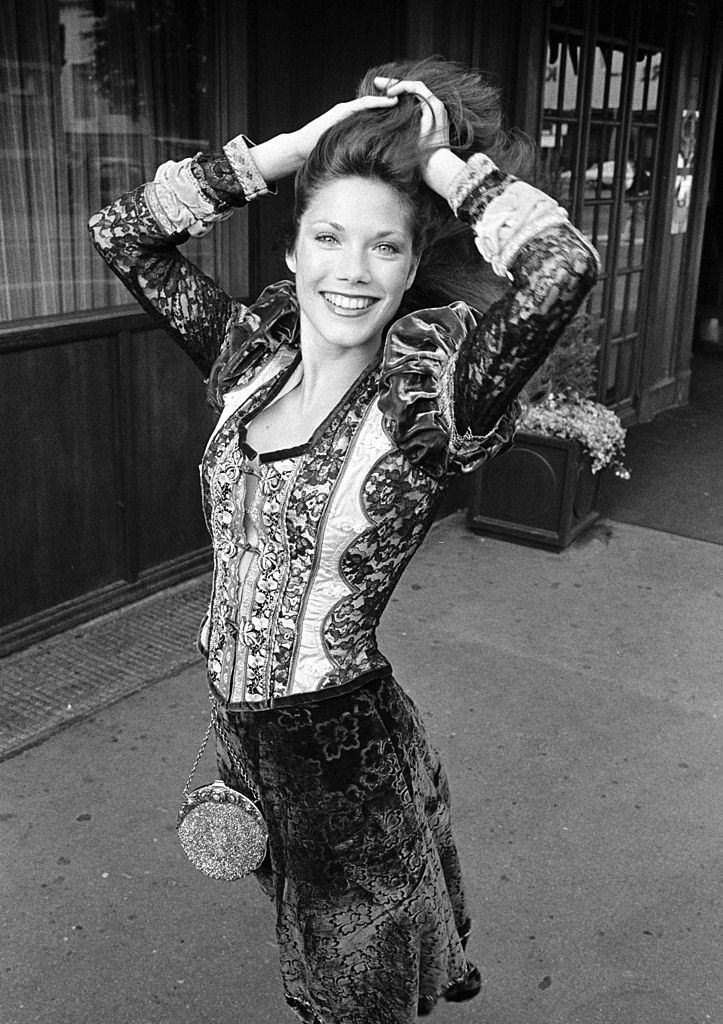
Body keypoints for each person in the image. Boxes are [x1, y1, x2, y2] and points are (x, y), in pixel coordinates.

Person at [89, 57, 598, 1024]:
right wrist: (286, 150)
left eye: (384, 248)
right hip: (245, 741)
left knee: (349, 999)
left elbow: (561, 266)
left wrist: (443, 165)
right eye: (327, 237)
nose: (350, 271)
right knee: (308, 959)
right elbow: (126, 233)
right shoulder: (251, 360)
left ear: (413, 266)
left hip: (343, 763)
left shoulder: (427, 402)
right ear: (292, 252)